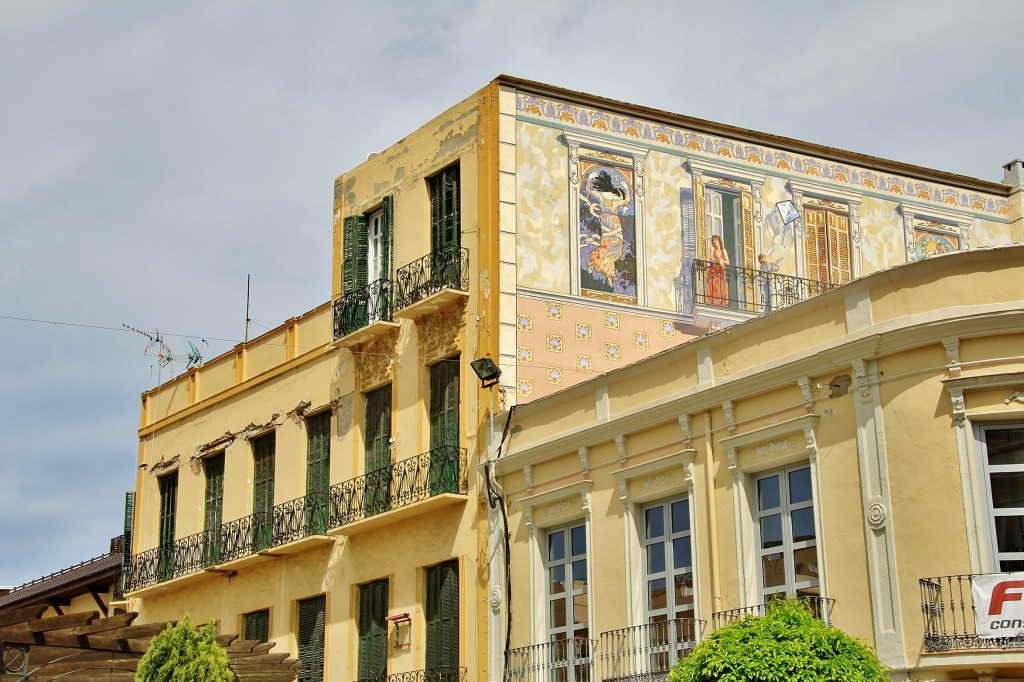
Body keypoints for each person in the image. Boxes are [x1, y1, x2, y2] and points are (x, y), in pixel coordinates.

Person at [707, 234, 729, 306]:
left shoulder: (723, 250)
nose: (714, 241)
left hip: (721, 271)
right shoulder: (712, 248)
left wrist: (721, 261)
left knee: (721, 287)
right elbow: (711, 258)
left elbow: (727, 262)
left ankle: (720, 303)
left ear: (719, 240)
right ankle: (715, 303)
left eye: (715, 240)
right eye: (713, 240)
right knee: (714, 286)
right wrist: (718, 261)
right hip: (714, 270)